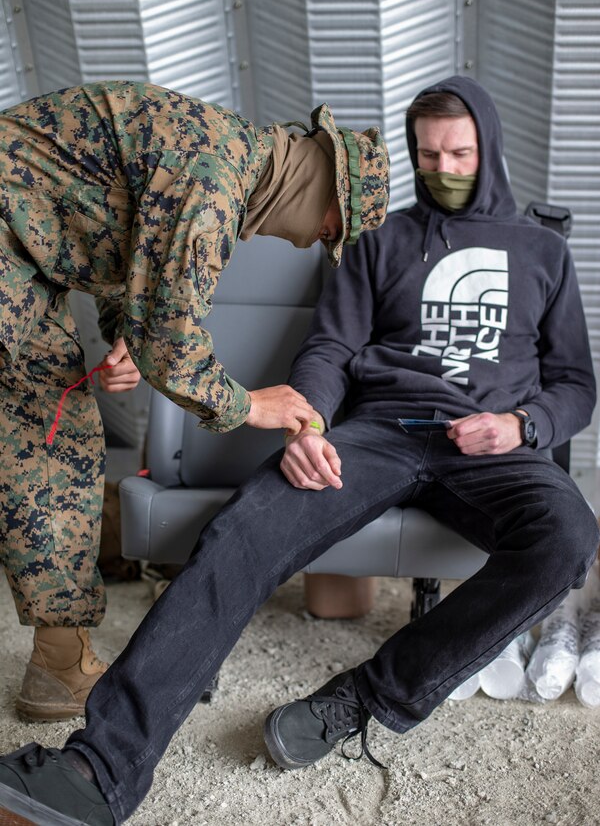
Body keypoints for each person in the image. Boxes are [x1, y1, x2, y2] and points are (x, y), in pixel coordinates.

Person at [0, 74, 597, 826]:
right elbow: (329, 348)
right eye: (429, 155)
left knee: (571, 537)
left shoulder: (543, 250)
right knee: (243, 532)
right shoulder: (378, 239)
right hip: (375, 433)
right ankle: (98, 771)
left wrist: (524, 425)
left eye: (460, 153)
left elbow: (576, 383)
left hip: (490, 442)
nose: (444, 169)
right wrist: (307, 424)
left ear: (490, 148)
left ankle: (363, 698)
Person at [0, 81, 389, 723]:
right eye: (329, 228)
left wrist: (124, 328)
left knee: (55, 436)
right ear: (318, 187)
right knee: (47, 444)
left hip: (24, 247)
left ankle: (57, 666)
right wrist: (251, 407)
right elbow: (173, 346)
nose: (312, 241)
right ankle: (57, 667)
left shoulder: (222, 156)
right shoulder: (211, 184)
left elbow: (108, 222)